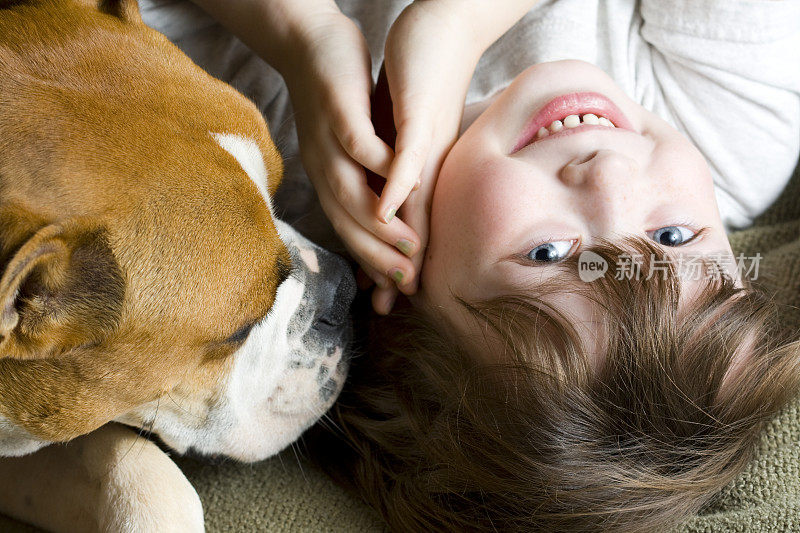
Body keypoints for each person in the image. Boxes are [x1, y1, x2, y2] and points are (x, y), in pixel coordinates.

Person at [139, 0, 800, 530]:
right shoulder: (728, 133)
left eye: (549, 253)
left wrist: (301, 36)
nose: (610, 177)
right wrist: (461, 19)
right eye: (676, 234)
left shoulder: (255, 157)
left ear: (395, 286)